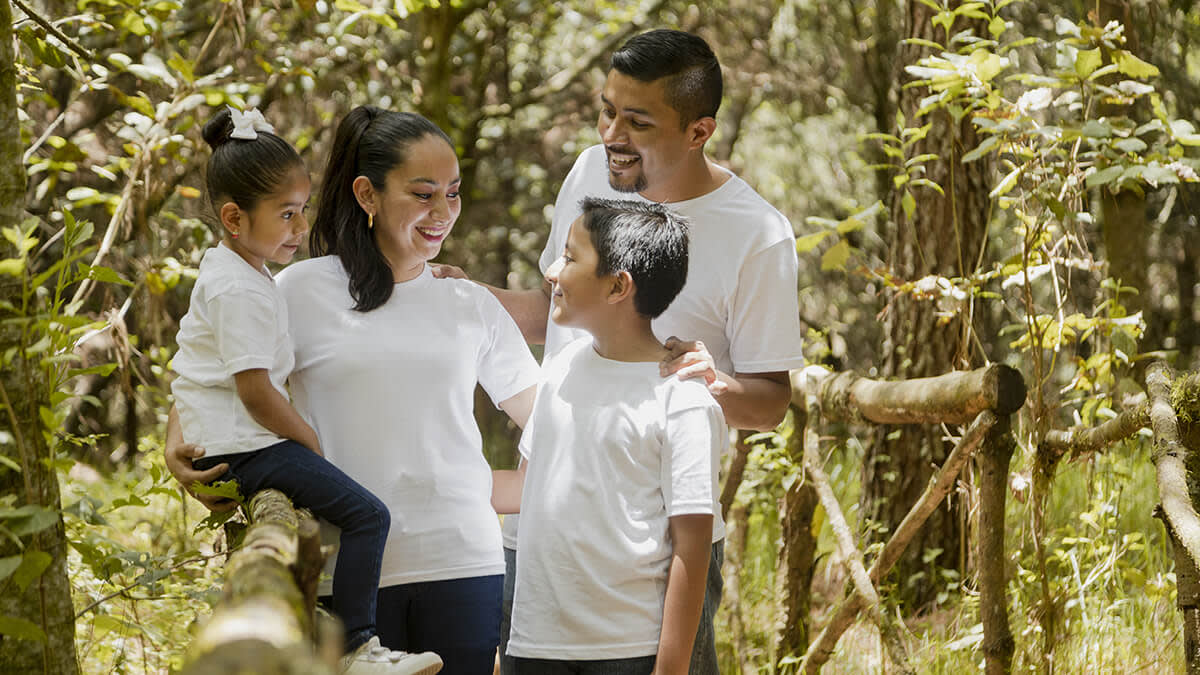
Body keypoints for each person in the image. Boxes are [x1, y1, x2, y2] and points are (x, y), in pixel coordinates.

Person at [436, 29, 805, 675]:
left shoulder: (758, 234)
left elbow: (772, 403)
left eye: (636, 121)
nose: (611, 133)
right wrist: (456, 295)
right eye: (606, 109)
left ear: (699, 130)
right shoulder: (590, 171)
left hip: (650, 550)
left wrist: (713, 380)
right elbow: (559, 312)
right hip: (542, 532)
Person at [167, 106, 540, 675]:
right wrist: (177, 446)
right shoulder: (295, 289)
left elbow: (548, 423)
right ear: (367, 194)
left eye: (453, 193)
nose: (443, 213)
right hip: (348, 577)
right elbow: (216, 366)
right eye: (422, 194)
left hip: (465, 564)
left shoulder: (469, 303)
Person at [492, 197, 724, 675]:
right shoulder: (561, 367)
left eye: (571, 258)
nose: (552, 272)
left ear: (619, 285)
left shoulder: (682, 398)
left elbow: (693, 544)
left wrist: (670, 669)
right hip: (535, 642)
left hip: (627, 650)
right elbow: (525, 489)